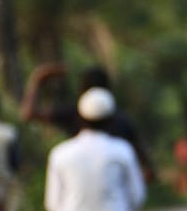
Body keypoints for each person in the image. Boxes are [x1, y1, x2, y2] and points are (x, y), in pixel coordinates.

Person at [20, 61, 155, 181]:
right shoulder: (122, 122)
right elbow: (146, 169)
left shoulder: (71, 117)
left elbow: (29, 114)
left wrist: (37, 79)